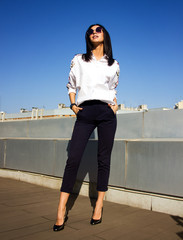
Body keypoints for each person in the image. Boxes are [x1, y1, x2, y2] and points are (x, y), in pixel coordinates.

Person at [53, 23, 120, 231]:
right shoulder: (79, 59)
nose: (94, 33)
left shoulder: (114, 64)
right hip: (85, 113)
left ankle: (99, 205)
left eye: (98, 30)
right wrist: (73, 105)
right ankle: (61, 209)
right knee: (73, 159)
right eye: (90, 31)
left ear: (105, 35)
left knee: (103, 159)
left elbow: (112, 89)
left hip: (107, 114)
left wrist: (114, 105)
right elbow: (71, 85)